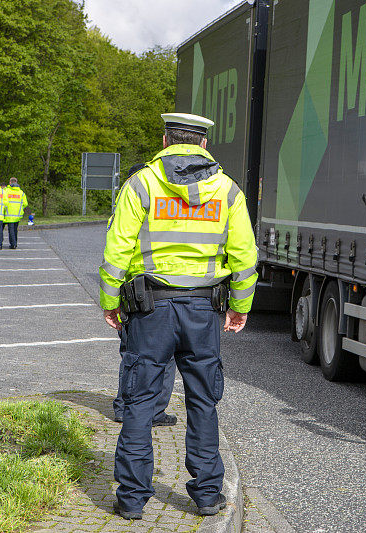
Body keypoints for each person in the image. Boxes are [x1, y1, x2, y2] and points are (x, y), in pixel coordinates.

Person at [99, 113, 258, 520]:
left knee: (139, 401)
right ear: (203, 145)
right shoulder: (227, 190)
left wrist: (110, 300)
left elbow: (117, 250)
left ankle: (132, 500)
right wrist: (240, 306)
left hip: (150, 308)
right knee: (203, 400)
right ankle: (207, 495)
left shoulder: (142, 183)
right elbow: (244, 257)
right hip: (204, 310)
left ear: (165, 139)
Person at [3, 177, 27, 249]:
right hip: (17, 214)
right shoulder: (21, 193)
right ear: (16, 182)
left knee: (11, 230)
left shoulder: (6, 191)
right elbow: (25, 204)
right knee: (15, 229)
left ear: (10, 182)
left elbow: (3, 201)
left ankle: (13, 244)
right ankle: (15, 243)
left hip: (8, 214)